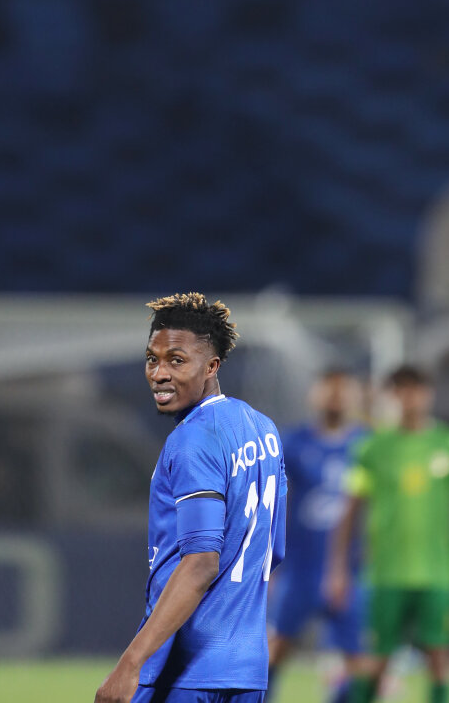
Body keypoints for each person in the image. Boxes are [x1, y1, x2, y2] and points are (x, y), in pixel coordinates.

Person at [95, 292, 287, 703]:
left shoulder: (194, 439)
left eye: (177, 360)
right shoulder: (264, 429)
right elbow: (274, 550)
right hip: (247, 671)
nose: (159, 373)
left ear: (211, 366)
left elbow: (201, 563)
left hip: (182, 673)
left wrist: (131, 664)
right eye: (152, 359)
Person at [326, 365, 449, 703]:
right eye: (402, 389)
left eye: (416, 389)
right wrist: (338, 568)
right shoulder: (373, 448)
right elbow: (350, 510)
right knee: (375, 661)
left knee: (440, 657)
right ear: (393, 396)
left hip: (438, 572)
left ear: (429, 393)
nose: (410, 398)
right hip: (385, 572)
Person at [267, 369, 374, 703]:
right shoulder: (293, 442)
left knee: (360, 661)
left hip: (352, 570)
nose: (336, 396)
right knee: (275, 648)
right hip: (300, 568)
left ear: (356, 396)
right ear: (314, 394)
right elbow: (274, 504)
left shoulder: (368, 444)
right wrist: (270, 563)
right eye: (329, 388)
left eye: (343, 389)